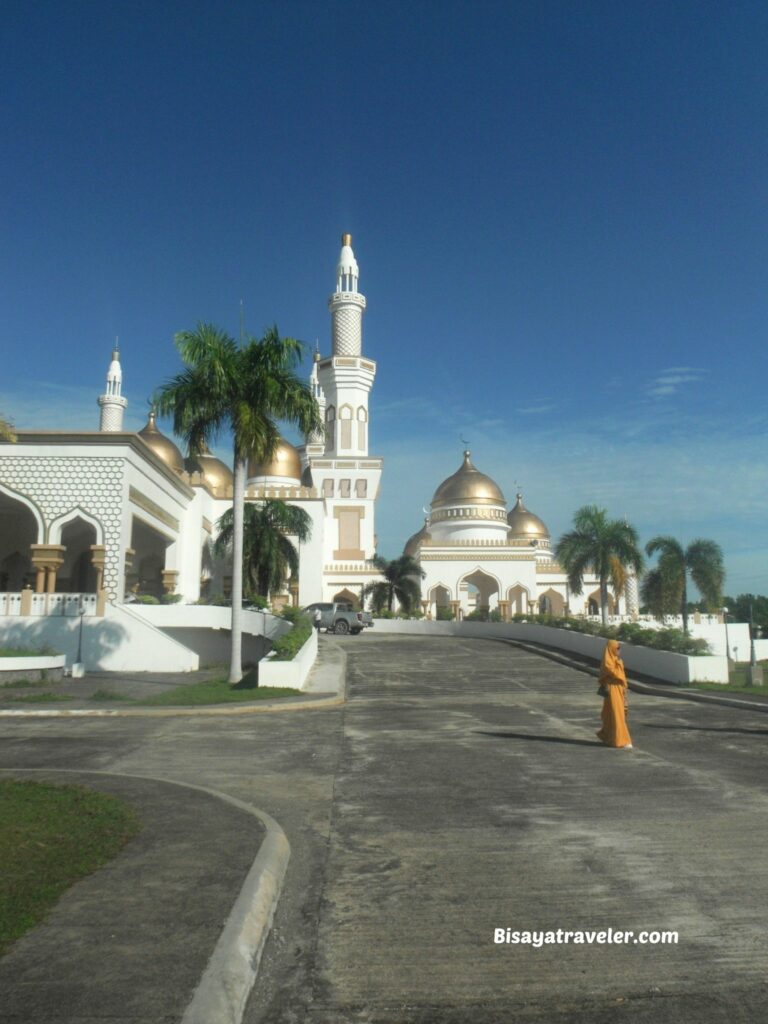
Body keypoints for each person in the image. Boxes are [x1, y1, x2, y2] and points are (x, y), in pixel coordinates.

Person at [596, 639, 633, 749]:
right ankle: (622, 740)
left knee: (612, 714)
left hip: (619, 689)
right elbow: (611, 672)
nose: (619, 650)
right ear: (611, 649)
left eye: (619, 648)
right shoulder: (608, 662)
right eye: (617, 648)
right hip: (612, 689)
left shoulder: (617, 660)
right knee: (617, 715)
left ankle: (608, 737)